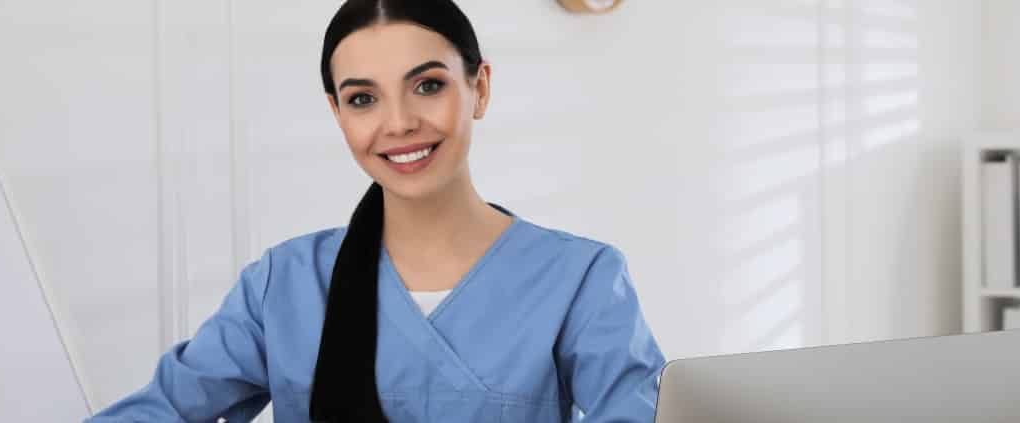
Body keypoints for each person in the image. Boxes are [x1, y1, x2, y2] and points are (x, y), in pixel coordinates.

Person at [87, 0, 665, 421]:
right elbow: (162, 410)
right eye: (363, 98)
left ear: (480, 88)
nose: (398, 123)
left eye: (428, 86)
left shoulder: (581, 280)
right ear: (338, 113)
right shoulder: (283, 284)